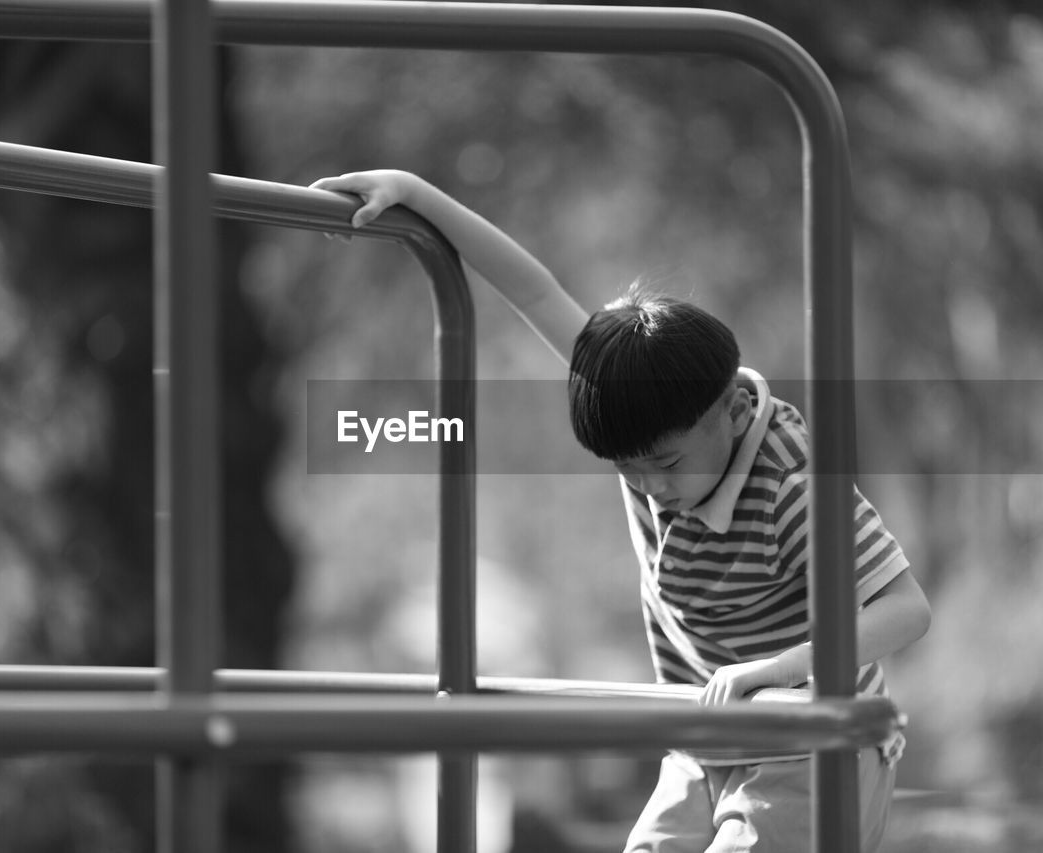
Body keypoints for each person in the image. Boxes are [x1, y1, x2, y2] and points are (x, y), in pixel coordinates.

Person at [309, 169, 932, 852]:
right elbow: (533, 288)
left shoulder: (793, 487)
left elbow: (905, 608)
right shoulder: (638, 416)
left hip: (813, 736)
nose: (649, 487)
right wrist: (414, 194)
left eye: (664, 465)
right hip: (707, 735)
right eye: (626, 469)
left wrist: (781, 668)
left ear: (728, 409)